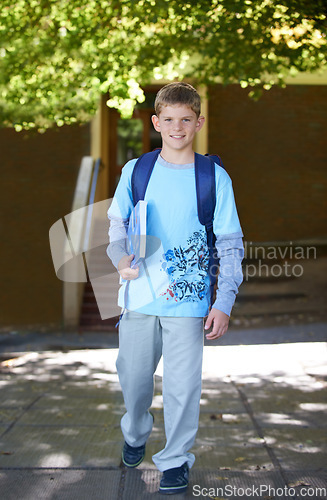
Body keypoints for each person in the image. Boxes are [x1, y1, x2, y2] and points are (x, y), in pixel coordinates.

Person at [107, 82, 244, 495]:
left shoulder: (214, 178)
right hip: (140, 298)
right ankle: (135, 431)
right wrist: (120, 260)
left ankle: (175, 461)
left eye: (186, 119)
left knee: (184, 388)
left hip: (189, 300)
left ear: (199, 122)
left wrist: (224, 301)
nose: (178, 127)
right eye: (169, 119)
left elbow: (230, 243)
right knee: (134, 380)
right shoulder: (137, 171)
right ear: (156, 122)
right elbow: (116, 227)